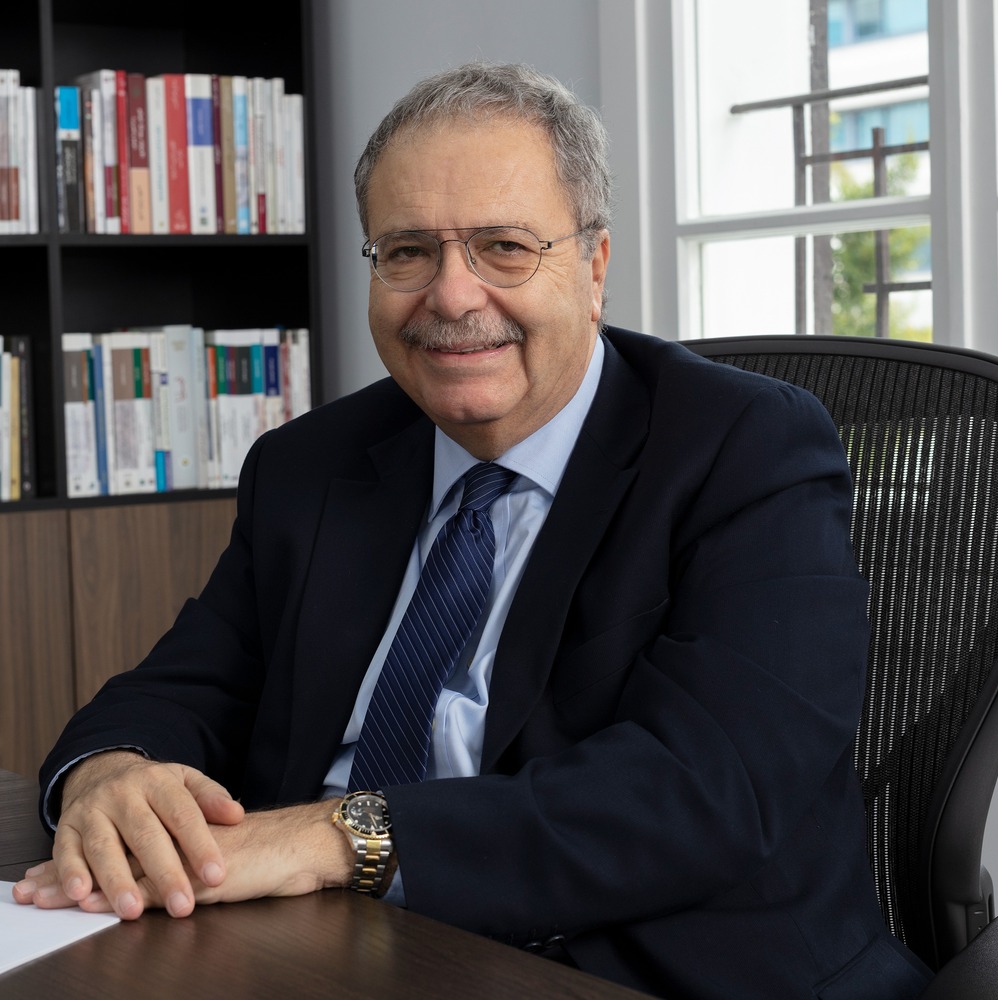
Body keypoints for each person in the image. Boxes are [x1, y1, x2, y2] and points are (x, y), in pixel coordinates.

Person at [15, 62, 931, 999]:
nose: (452, 297)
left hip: (640, 967)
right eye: (408, 251)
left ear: (594, 267)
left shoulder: (746, 448)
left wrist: (337, 838)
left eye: (503, 247)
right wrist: (109, 776)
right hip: (316, 946)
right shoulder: (309, 464)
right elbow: (189, 683)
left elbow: (710, 787)